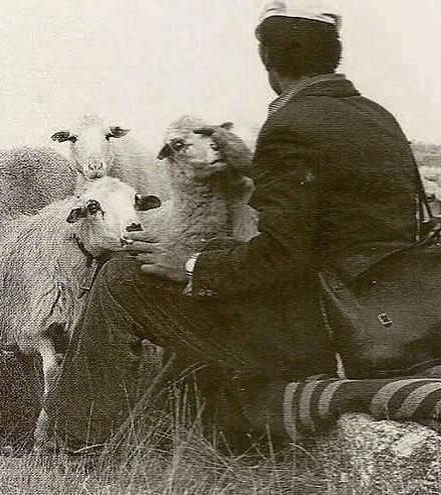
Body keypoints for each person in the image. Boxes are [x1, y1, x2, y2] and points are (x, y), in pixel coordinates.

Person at [44, 0, 441, 450]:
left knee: (123, 279)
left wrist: (194, 268)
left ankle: (72, 446)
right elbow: (336, 225)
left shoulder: (290, 124)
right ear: (334, 55)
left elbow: (283, 255)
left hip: (319, 328)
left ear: (268, 61)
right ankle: (217, 431)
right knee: (213, 254)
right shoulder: (377, 116)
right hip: (387, 311)